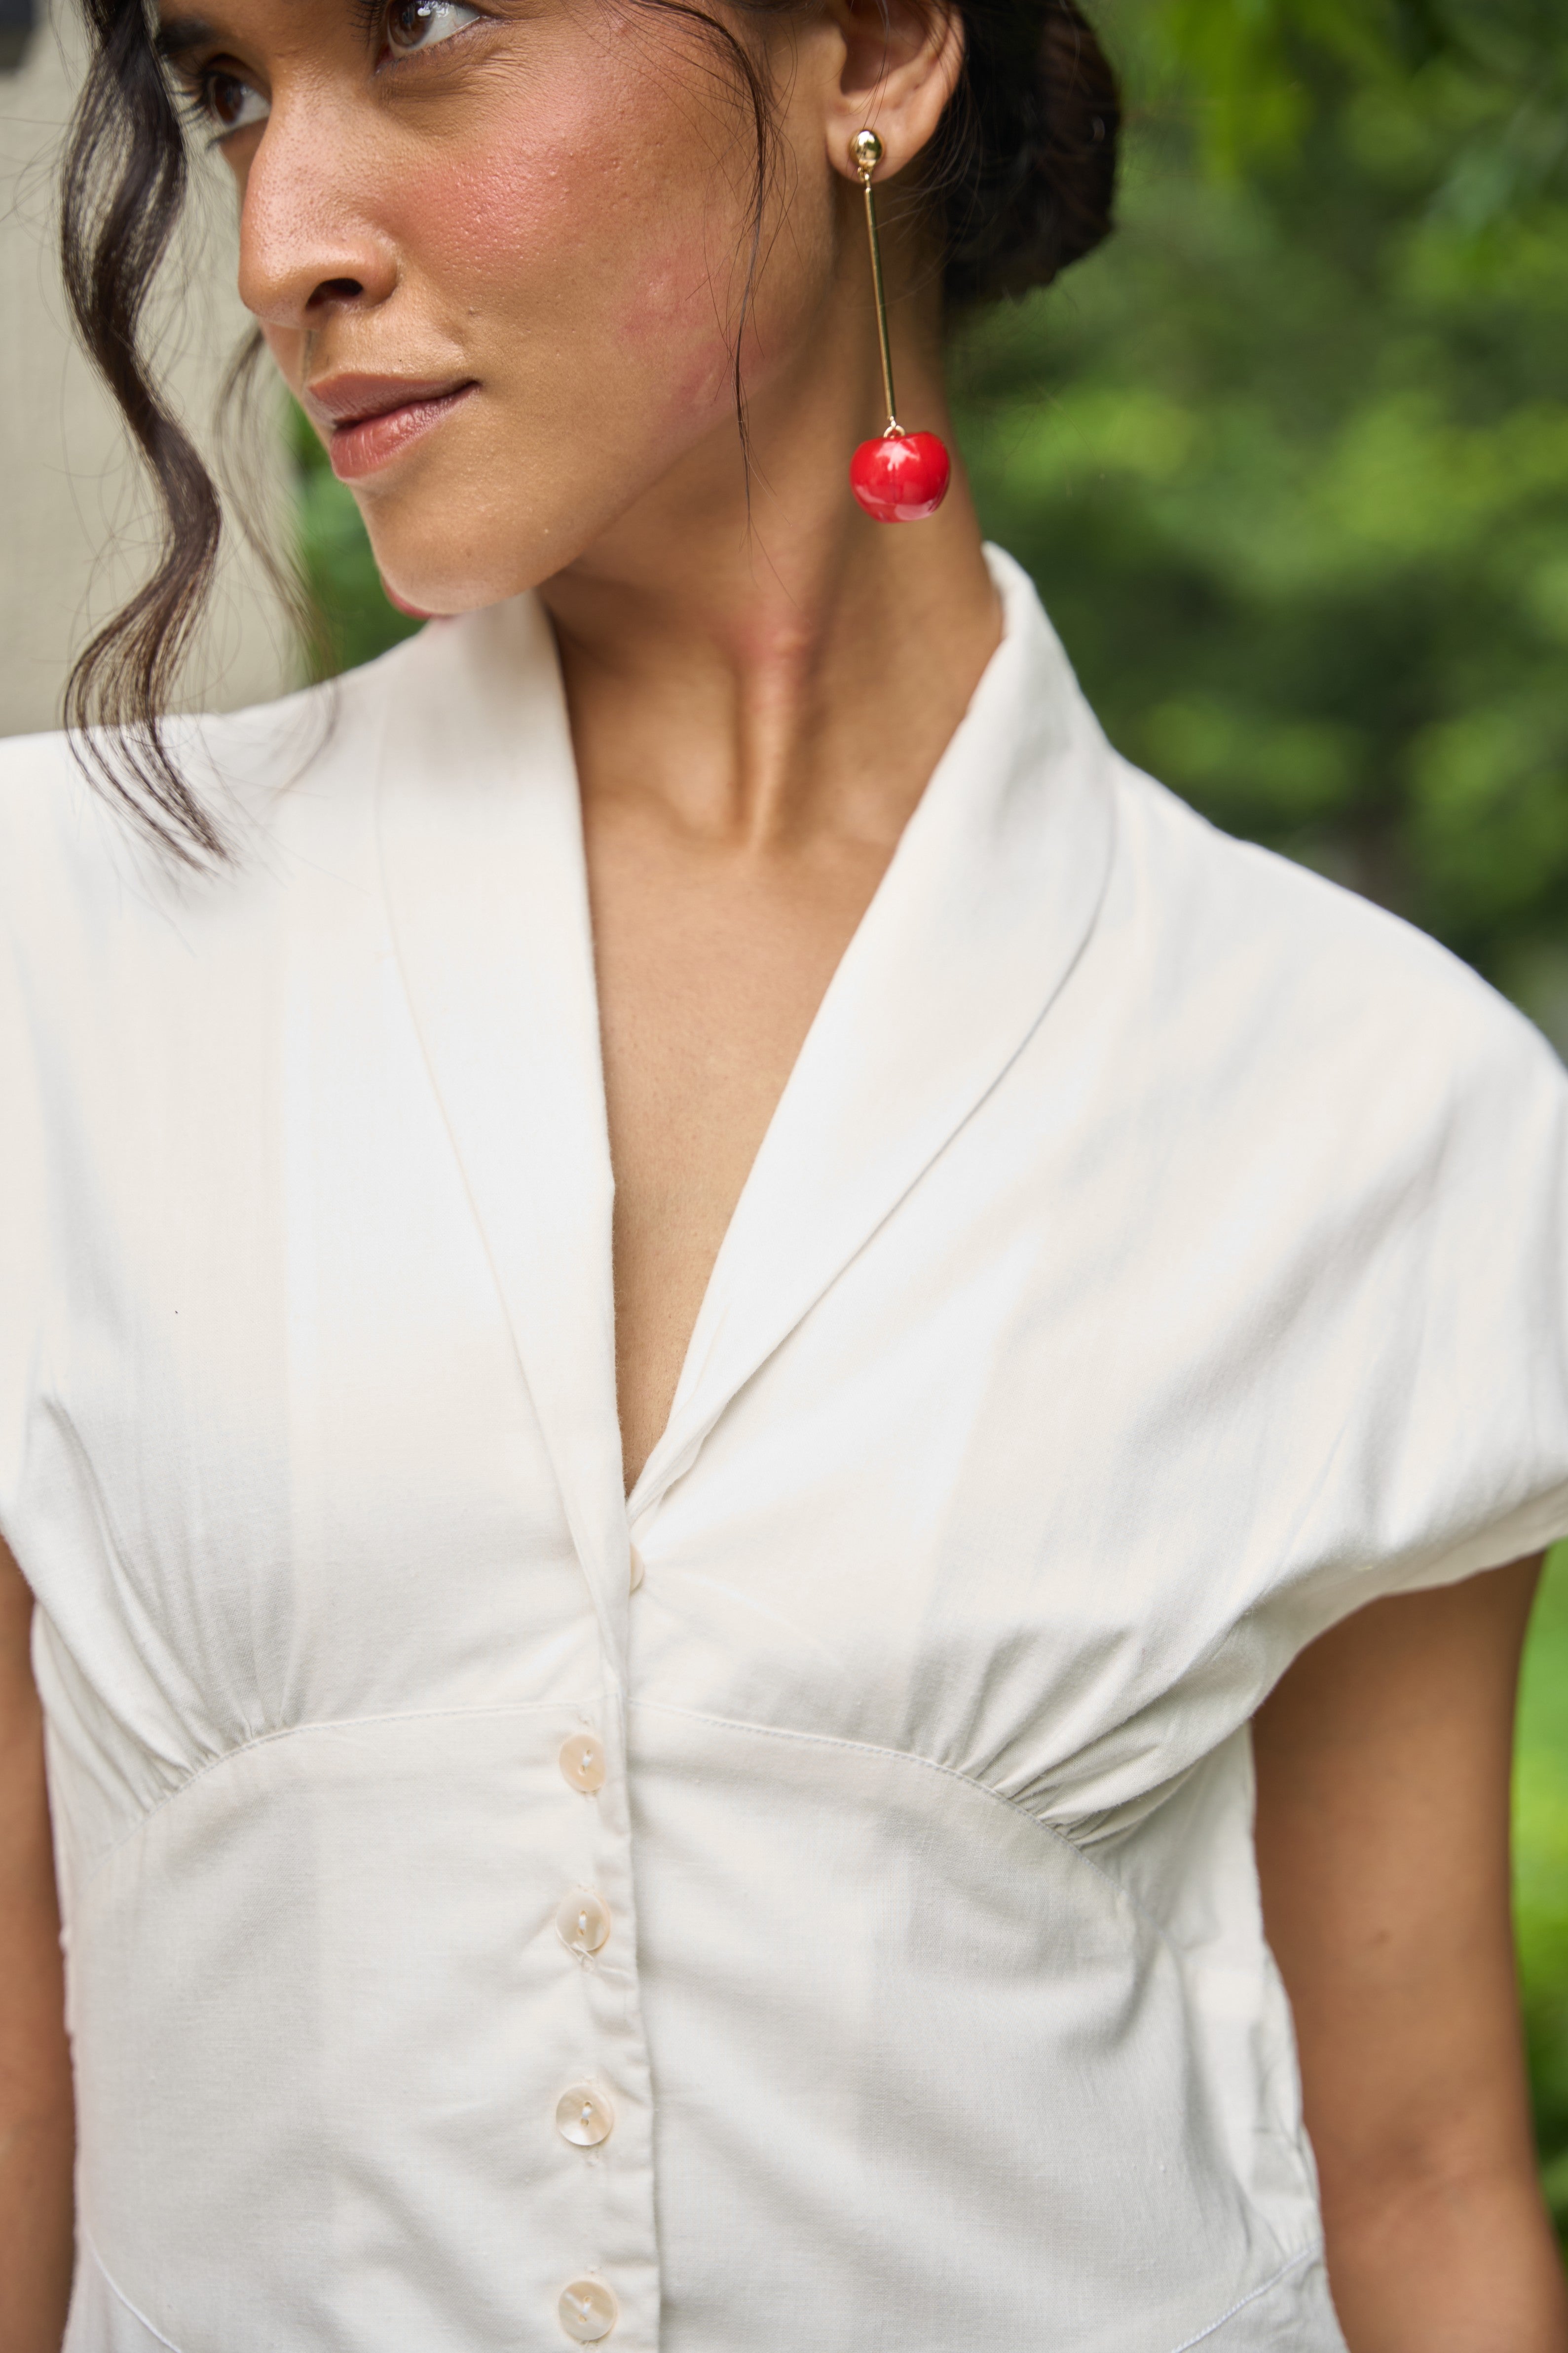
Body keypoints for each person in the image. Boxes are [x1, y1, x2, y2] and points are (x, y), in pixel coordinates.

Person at [1, 0, 1566, 2344]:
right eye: (232, 96)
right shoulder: (55, 960)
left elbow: (1422, 2174)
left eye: (421, 29)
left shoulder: (1368, 1097)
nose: (280, 243)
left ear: (873, 46)